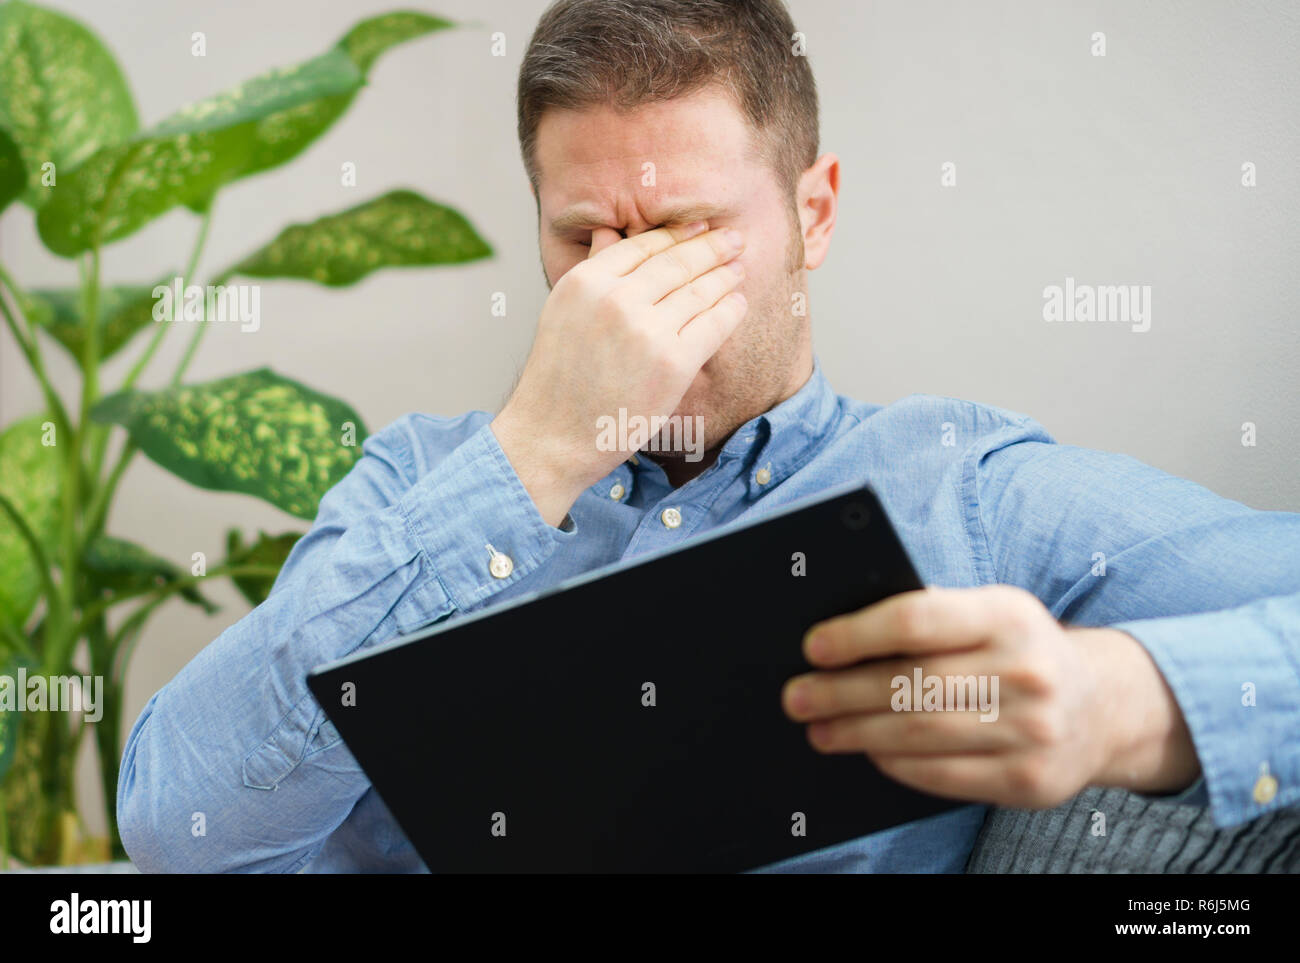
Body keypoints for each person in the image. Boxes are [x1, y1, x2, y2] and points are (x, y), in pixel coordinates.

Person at [117, 0, 1300, 873]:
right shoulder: (417, 487)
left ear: (812, 213)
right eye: (586, 241)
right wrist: (531, 456)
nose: (630, 290)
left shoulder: (960, 493)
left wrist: (1129, 698)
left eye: (684, 231)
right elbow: (179, 829)